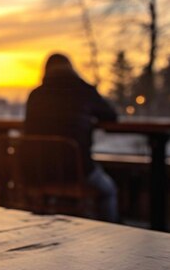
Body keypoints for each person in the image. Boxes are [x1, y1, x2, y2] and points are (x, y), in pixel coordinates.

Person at [24, 53, 119, 222]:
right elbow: (111, 115)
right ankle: (110, 232)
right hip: (78, 171)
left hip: (39, 171)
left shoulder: (36, 95)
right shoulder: (84, 91)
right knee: (108, 191)